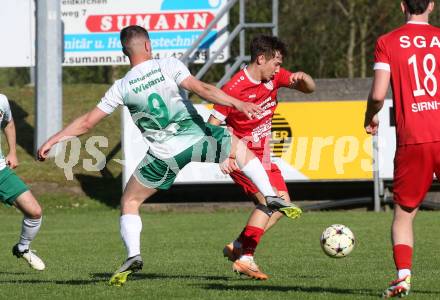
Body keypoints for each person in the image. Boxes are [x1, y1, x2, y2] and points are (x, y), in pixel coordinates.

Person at [37, 25, 298, 286]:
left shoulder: (121, 86)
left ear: (124, 52)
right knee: (239, 148)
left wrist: (53, 139)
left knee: (129, 202)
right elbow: (202, 89)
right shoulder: (168, 65)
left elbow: (86, 123)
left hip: (163, 156)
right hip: (197, 138)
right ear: (148, 46)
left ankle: (133, 255)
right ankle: (272, 196)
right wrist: (237, 103)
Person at [208, 35, 315, 280]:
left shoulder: (274, 77)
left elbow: (309, 88)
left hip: (264, 156)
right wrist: (226, 156)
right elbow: (212, 127)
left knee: (281, 205)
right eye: (276, 63)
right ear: (261, 59)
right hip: (243, 157)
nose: (279, 69)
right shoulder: (233, 89)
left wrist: (304, 78)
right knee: (270, 202)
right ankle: (246, 258)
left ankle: (238, 245)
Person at [364, 0, 439, 297]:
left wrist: (369, 115)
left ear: (402, 6)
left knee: (405, 213)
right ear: (431, 6)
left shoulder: (387, 41)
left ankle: (403, 277)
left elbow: (378, 94)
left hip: (414, 138)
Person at [0, 94, 45, 271]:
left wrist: (13, 152)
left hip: (1, 172)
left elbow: (9, 123)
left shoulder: (2, 100)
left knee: (34, 211)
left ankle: (23, 248)